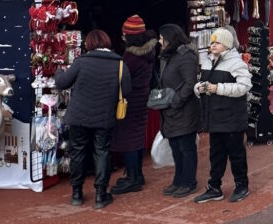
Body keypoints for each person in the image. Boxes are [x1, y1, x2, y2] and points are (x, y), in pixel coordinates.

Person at [54, 30, 131, 209]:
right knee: (102, 152)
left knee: (77, 153)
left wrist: (58, 72)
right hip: (105, 117)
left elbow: (62, 82)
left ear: (88, 44)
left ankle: (76, 194)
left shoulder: (81, 62)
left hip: (78, 116)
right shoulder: (119, 64)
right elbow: (127, 90)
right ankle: (100, 195)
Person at [193, 28, 251, 204]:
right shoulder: (208, 63)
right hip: (215, 118)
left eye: (216, 42)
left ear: (226, 44)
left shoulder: (237, 63)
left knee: (236, 154)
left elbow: (244, 87)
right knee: (216, 155)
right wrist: (199, 88)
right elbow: (200, 84)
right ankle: (214, 187)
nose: (213, 46)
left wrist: (218, 88)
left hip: (232, 117)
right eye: (212, 42)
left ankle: (242, 185)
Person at [111, 15, 157, 195]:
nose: (122, 37)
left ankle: (132, 178)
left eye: (124, 34)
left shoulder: (131, 56)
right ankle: (137, 174)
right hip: (142, 99)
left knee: (129, 140)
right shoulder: (147, 52)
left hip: (130, 101)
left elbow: (123, 78)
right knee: (137, 137)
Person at [157, 23, 201, 198]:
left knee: (186, 147)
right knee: (176, 147)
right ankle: (179, 179)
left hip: (184, 110)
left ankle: (189, 182)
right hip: (172, 111)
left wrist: (176, 100)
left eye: (161, 38)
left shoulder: (186, 56)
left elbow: (190, 83)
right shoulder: (169, 56)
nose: (159, 41)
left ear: (169, 38)